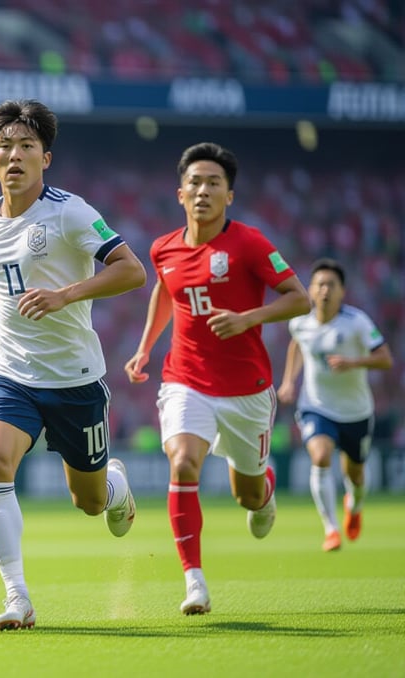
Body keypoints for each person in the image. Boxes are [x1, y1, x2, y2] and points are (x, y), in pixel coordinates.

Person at [0, 99, 147, 631]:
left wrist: (66, 294)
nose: (15, 155)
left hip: (75, 378)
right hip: (9, 373)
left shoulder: (71, 212)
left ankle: (114, 487)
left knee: (88, 501)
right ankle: (17, 596)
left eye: (26, 146)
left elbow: (132, 270)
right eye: (5, 146)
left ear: (45, 158)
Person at [124, 142, 310, 615]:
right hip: (185, 379)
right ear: (180, 193)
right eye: (195, 182)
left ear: (229, 196)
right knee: (183, 461)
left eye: (214, 183)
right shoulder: (163, 247)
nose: (203, 190)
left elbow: (300, 298)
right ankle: (195, 581)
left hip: (247, 391)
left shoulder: (250, 244)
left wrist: (248, 318)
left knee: (246, 494)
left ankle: (264, 491)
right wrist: (145, 347)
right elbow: (165, 292)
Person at [277, 259, 393, 552]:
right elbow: (296, 344)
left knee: (355, 475)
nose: (325, 290)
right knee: (320, 456)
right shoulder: (300, 322)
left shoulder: (357, 322)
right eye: (319, 284)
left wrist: (353, 362)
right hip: (316, 405)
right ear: (310, 290)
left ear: (342, 291)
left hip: (356, 411)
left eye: (331, 285)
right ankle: (331, 529)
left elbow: (385, 359)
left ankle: (354, 506)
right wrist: (289, 381)